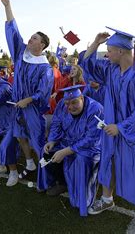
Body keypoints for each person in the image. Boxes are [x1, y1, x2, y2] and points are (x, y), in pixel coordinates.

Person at [79, 27, 135, 234]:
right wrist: (95, 42)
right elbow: (87, 63)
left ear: (121, 51)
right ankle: (106, 199)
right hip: (111, 130)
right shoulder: (111, 70)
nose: (106, 54)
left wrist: (121, 127)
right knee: (108, 163)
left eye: (109, 50)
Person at [0, 0, 54, 189]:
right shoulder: (21, 54)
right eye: (30, 37)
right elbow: (14, 34)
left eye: (34, 38)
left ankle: (46, 178)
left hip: (31, 108)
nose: (30, 40)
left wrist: (28, 100)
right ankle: (20, 168)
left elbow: (43, 92)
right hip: (17, 105)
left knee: (38, 143)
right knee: (18, 136)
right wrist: (7, 7)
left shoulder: (45, 68)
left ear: (43, 45)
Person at [42, 85, 103, 216]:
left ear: (82, 97)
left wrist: (66, 151)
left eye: (74, 102)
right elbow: (56, 123)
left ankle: (83, 197)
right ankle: (61, 183)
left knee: (80, 160)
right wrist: (51, 140)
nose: (70, 107)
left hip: (89, 149)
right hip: (67, 141)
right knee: (47, 155)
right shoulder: (61, 105)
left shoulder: (95, 108)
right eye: (67, 103)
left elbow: (92, 138)